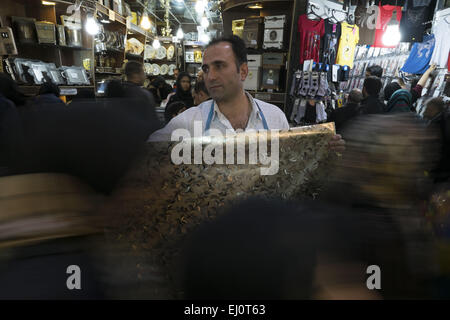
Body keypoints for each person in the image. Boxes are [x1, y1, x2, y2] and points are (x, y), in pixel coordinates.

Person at [149, 35, 344, 151]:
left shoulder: (274, 118)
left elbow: (293, 162)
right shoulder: (189, 122)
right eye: (207, 69)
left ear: (243, 71)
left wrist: (320, 149)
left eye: (219, 66)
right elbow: (148, 152)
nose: (210, 76)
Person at [121, 61, 161, 127]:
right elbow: (152, 121)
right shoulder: (144, 94)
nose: (145, 76)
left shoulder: (119, 91)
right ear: (136, 75)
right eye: (143, 73)